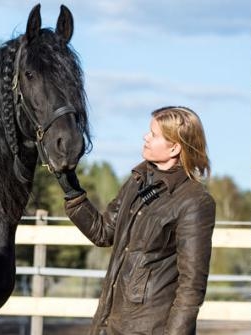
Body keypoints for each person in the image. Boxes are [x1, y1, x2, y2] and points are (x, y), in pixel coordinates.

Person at [56, 106, 216, 335]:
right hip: (109, 322)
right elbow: (103, 232)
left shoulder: (195, 201)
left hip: (150, 328)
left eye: (154, 134)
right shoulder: (138, 181)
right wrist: (71, 189)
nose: (146, 137)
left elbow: (191, 287)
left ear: (174, 147)